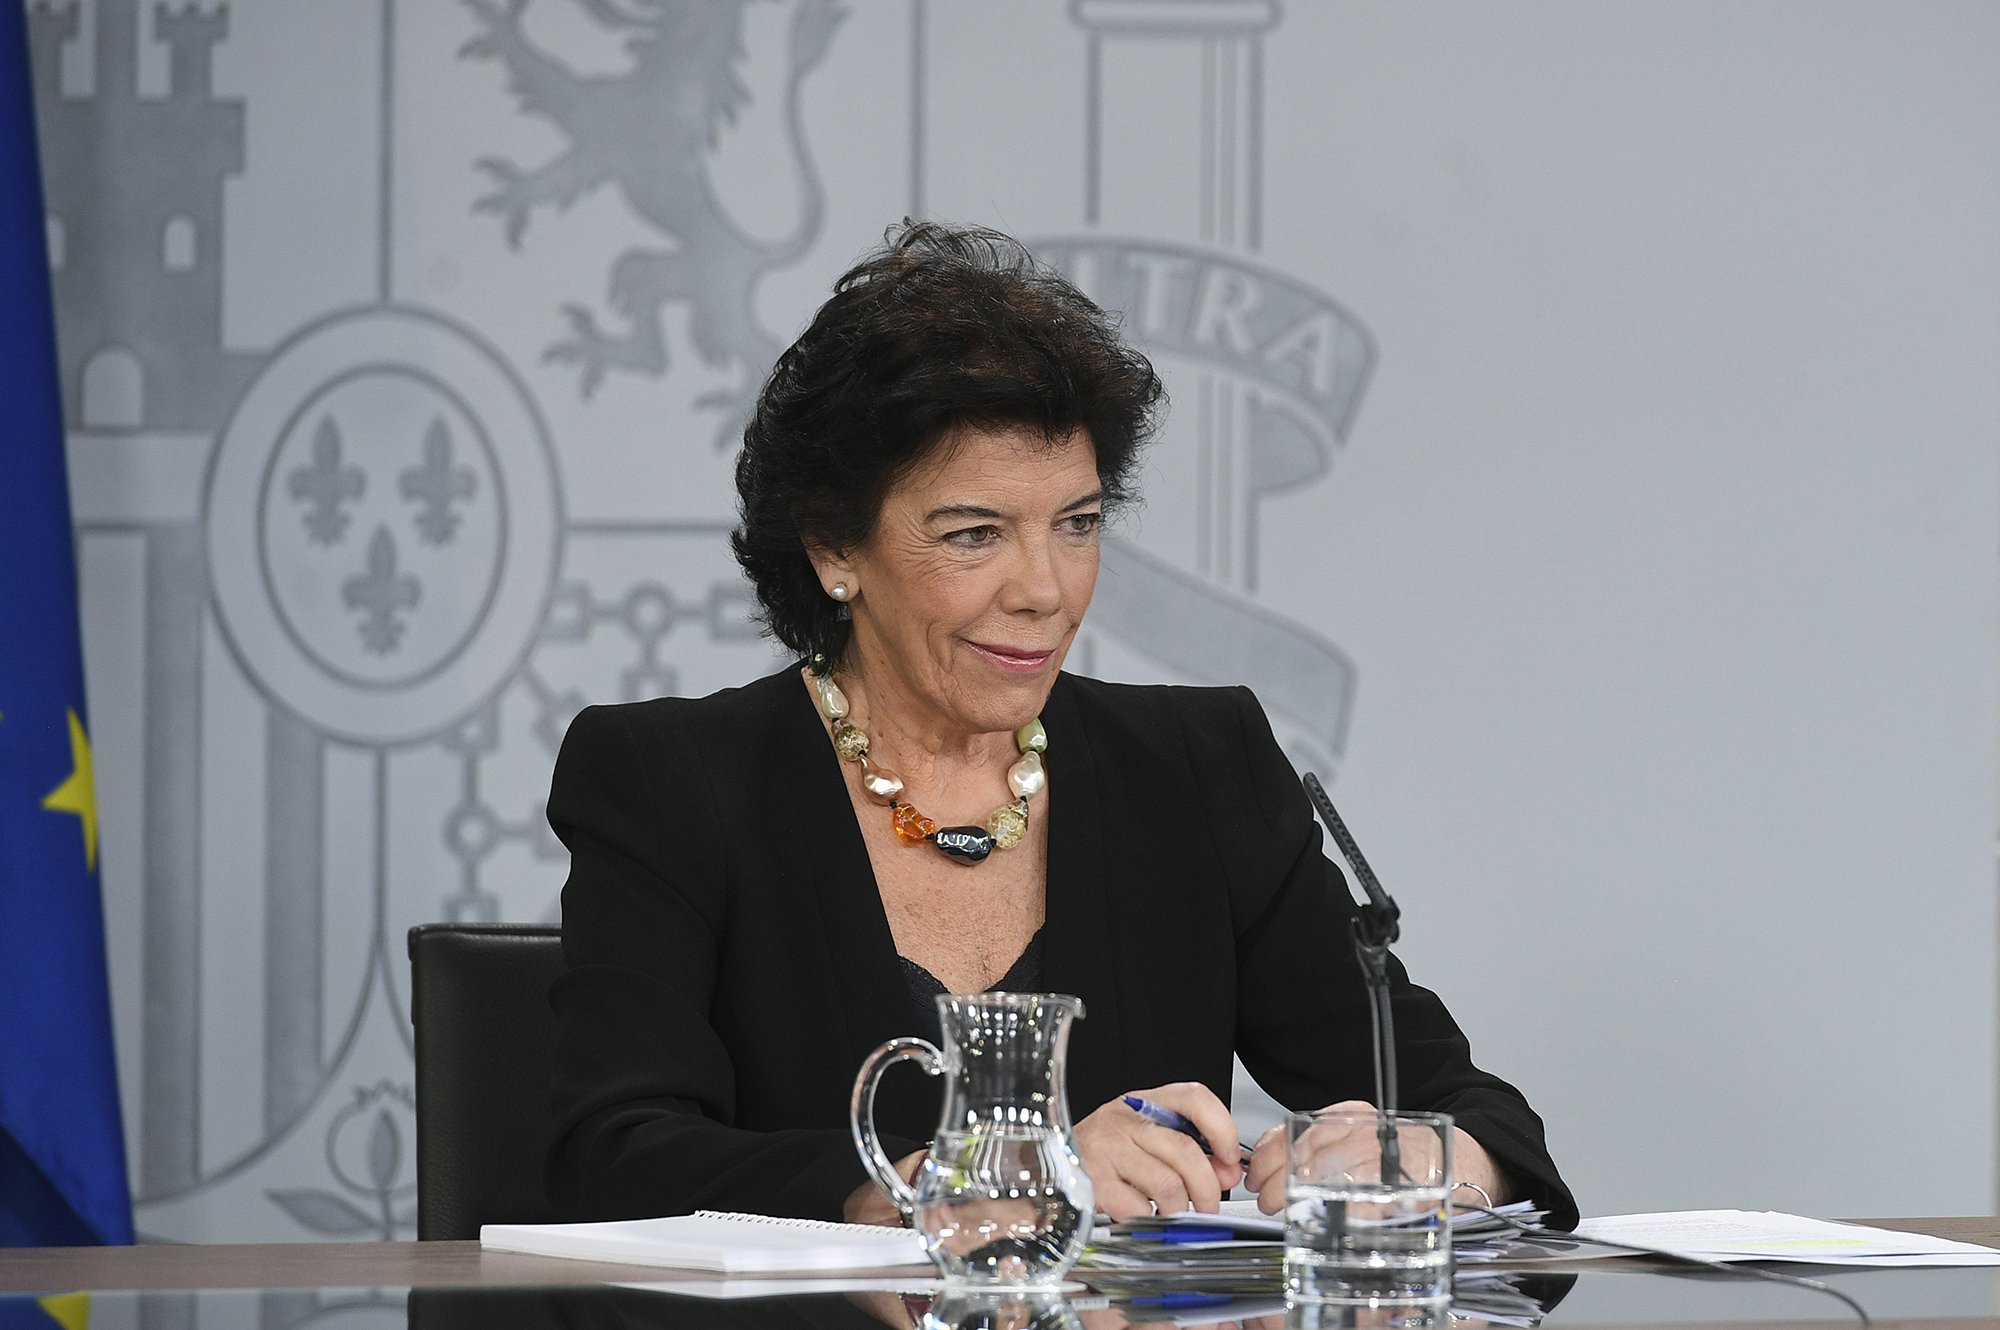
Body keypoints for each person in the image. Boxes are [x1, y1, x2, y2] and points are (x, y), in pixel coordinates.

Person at [544, 221, 1576, 1229]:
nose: (1045, 589)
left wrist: (1429, 1156)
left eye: (1077, 525)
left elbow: (1467, 1111)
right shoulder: (672, 780)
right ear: (832, 548)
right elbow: (613, 1158)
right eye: (974, 534)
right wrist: (964, 1185)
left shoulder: (1197, 770)